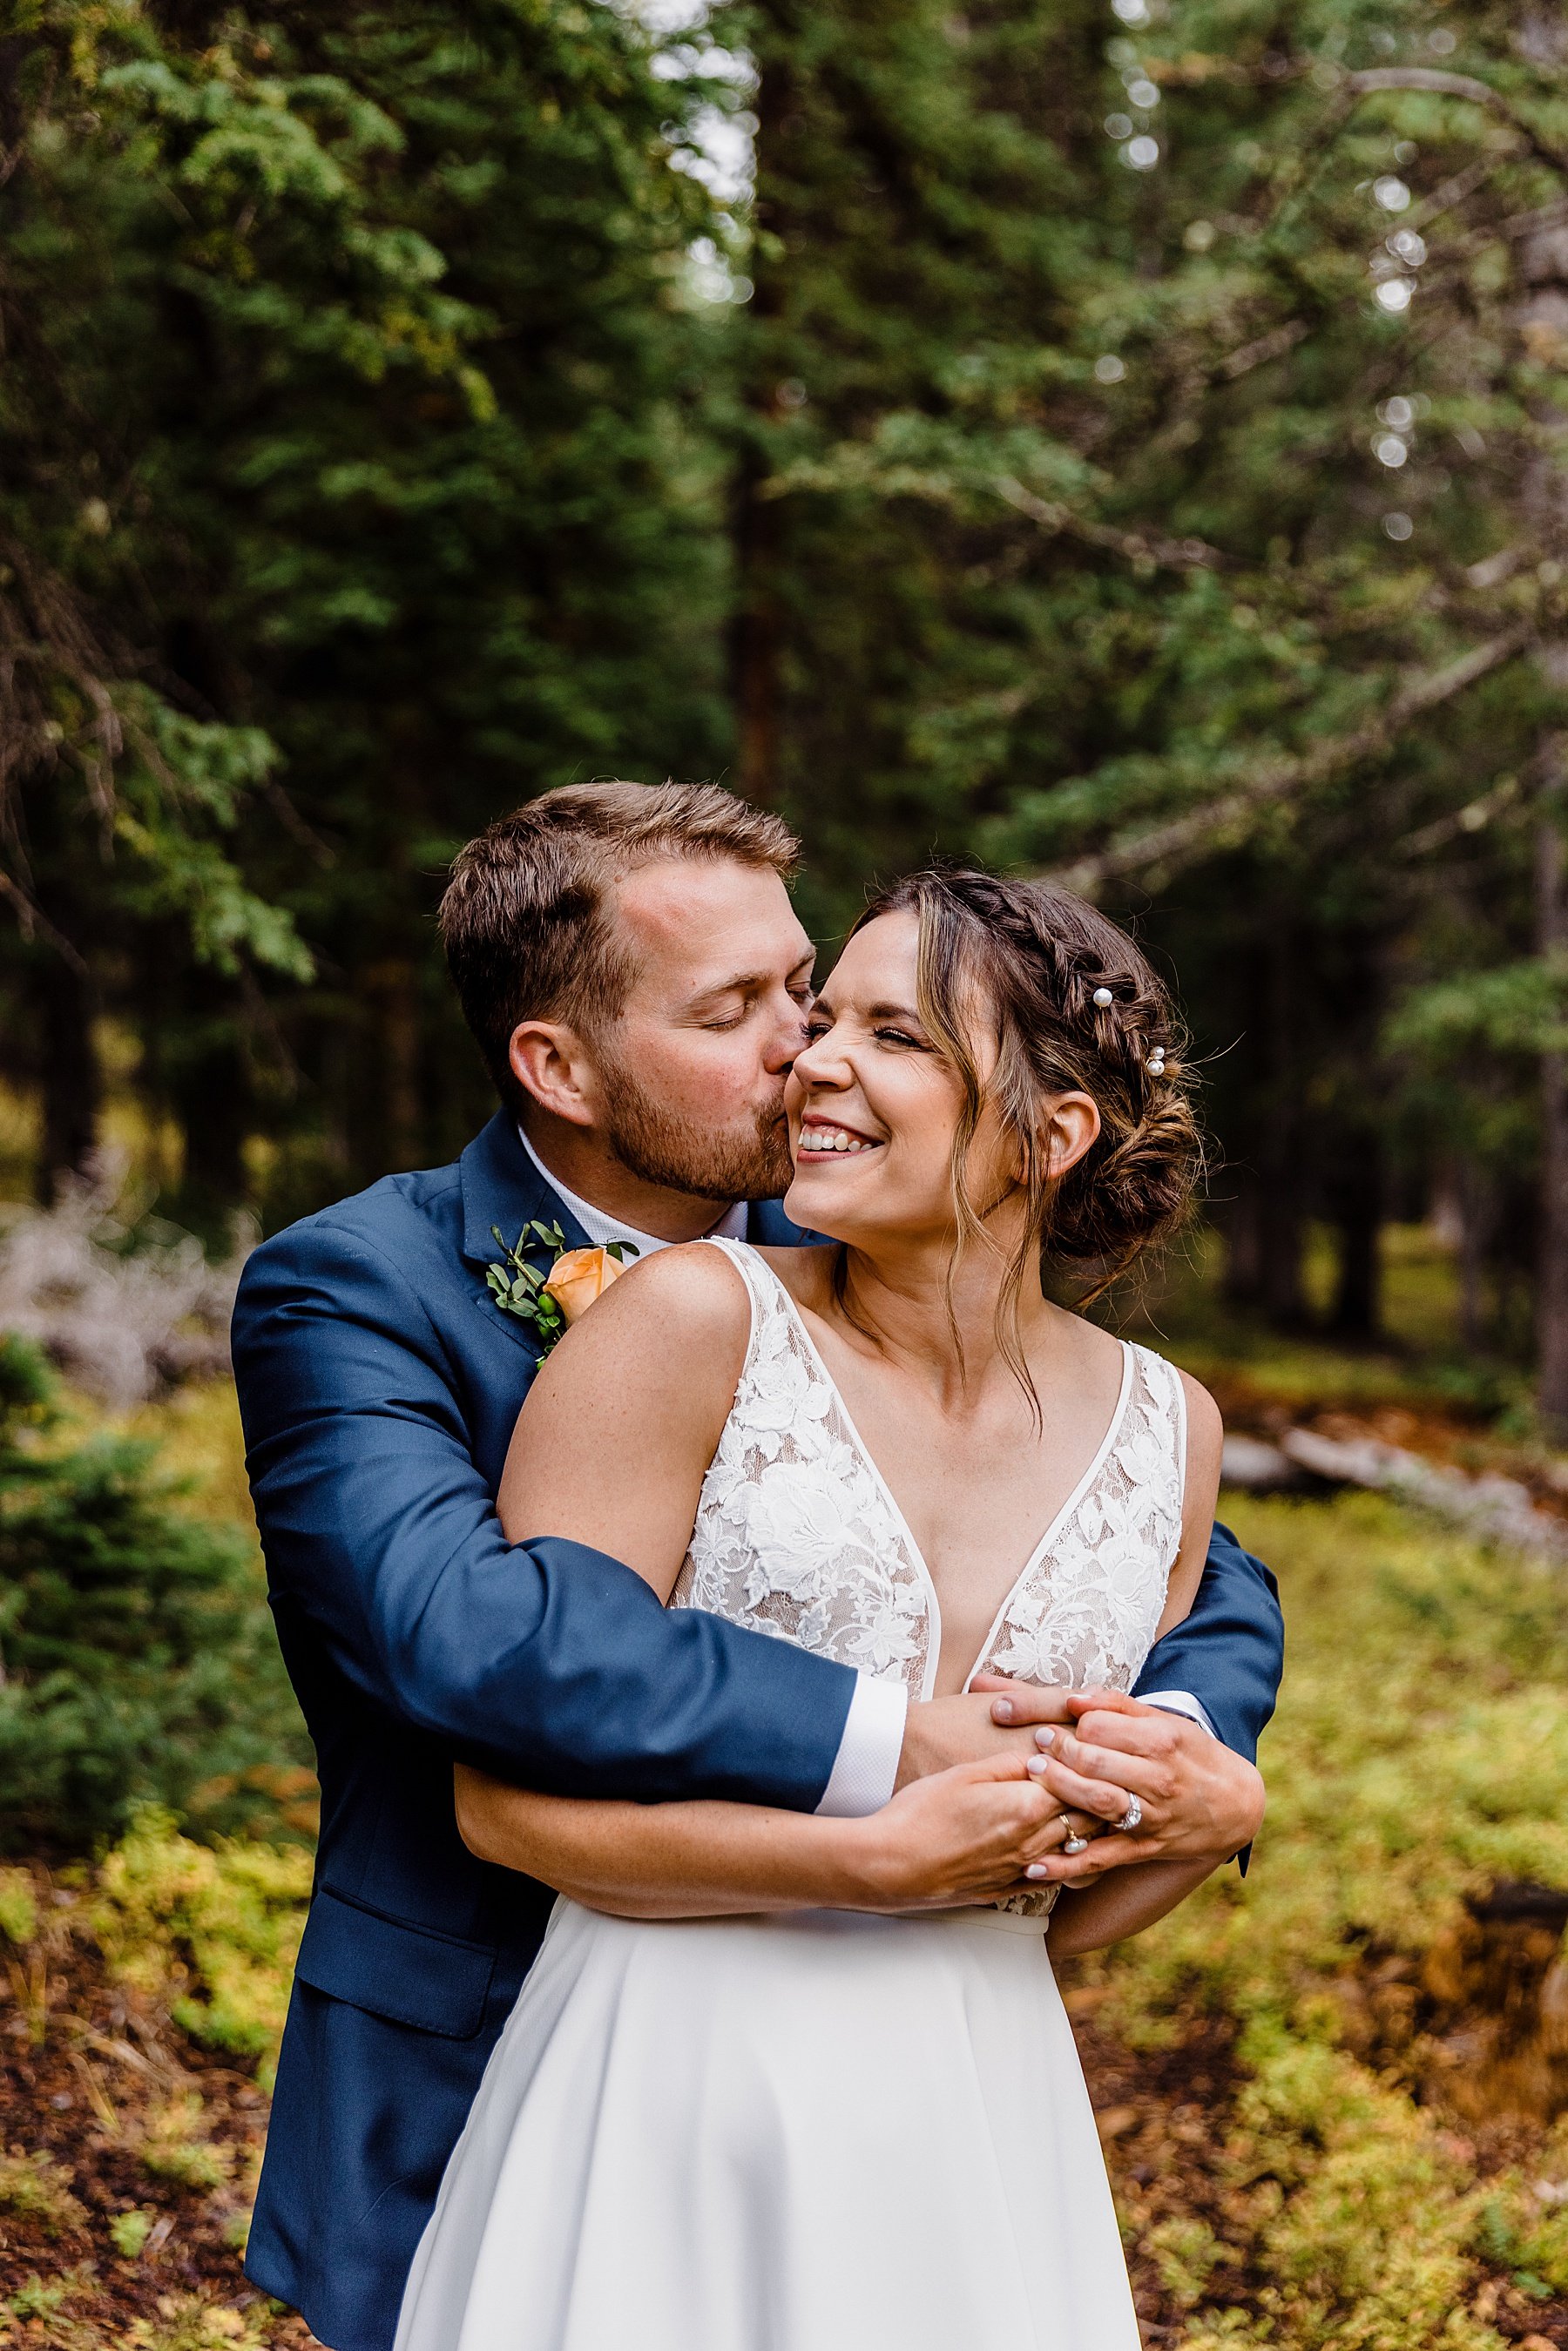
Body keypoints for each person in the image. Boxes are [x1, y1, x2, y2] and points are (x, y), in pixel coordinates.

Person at [231, 783, 1281, 2351]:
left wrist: (1192, 1747)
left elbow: (1166, 1547)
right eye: (741, 1012)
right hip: (501, 2019)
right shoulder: (361, 1287)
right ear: (559, 1066)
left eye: (810, 990)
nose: (806, 1051)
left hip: (928, 2061)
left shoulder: (871, 1218)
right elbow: (478, 1639)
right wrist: (898, 1743)